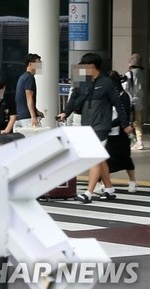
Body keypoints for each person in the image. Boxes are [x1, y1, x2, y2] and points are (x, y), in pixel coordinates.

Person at [58, 53, 132, 203]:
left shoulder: (107, 83)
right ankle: (109, 189)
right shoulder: (82, 81)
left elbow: (118, 105)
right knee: (99, 158)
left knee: (93, 157)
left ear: (92, 66)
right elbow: (73, 99)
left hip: (101, 126)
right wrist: (65, 113)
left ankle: (88, 193)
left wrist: (125, 124)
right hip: (86, 125)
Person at [104, 71, 138, 193]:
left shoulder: (124, 96)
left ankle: (132, 180)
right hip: (108, 132)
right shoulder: (106, 95)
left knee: (125, 158)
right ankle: (106, 183)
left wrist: (109, 124)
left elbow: (124, 116)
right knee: (105, 158)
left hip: (121, 132)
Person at [123, 54, 145, 150]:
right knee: (138, 123)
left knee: (127, 123)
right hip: (139, 101)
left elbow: (125, 87)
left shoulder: (129, 74)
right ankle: (139, 142)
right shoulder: (141, 73)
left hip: (131, 101)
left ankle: (135, 141)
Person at [15, 53, 43, 128]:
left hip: (20, 117)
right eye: (38, 63)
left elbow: (22, 98)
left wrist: (37, 111)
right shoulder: (30, 78)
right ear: (30, 64)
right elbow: (29, 98)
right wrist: (33, 117)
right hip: (27, 118)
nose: (40, 66)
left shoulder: (22, 77)